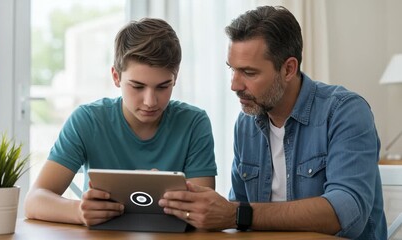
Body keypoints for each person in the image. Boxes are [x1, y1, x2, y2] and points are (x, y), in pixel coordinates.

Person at [158, 6, 387, 239]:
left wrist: (240, 215)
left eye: (249, 72)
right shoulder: (247, 123)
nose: (234, 85)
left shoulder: (344, 112)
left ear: (288, 69)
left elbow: (347, 213)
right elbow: (235, 211)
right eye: (232, 69)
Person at [25, 18, 217, 227]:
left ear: (175, 78)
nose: (150, 101)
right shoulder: (88, 121)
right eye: (137, 86)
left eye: (163, 87)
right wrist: (78, 211)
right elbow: (34, 201)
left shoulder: (194, 123)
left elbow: (204, 213)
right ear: (116, 77)